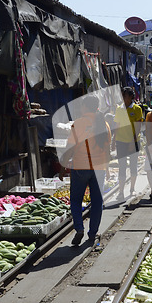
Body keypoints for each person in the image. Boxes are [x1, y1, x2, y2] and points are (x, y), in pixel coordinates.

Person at [58, 94, 111, 246]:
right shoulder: (104, 124)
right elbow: (107, 149)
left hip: (80, 167)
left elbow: (70, 148)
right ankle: (93, 233)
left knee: (75, 200)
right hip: (98, 168)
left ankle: (79, 228)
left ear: (85, 107)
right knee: (96, 202)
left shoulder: (79, 123)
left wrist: (63, 167)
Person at [113, 86, 143, 202]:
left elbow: (138, 127)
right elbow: (117, 125)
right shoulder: (119, 109)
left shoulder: (137, 109)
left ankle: (132, 189)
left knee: (133, 166)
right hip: (121, 142)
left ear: (131, 97)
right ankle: (121, 192)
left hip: (134, 142)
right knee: (122, 167)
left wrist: (133, 141)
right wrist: (113, 141)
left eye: (124, 96)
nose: (123, 98)